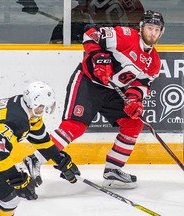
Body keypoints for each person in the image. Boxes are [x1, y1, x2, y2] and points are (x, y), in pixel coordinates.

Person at [25, 10, 164, 189]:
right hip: (88, 82)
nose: (152, 32)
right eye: (149, 27)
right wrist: (99, 58)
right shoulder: (125, 36)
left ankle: (113, 170)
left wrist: (134, 100)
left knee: (133, 122)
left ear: (161, 33)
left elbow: (141, 84)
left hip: (112, 91)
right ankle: (34, 160)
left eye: (156, 29)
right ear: (141, 27)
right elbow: (91, 35)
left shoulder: (154, 62)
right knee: (75, 126)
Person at [0, 81, 80, 216]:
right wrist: (18, 180)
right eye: (41, 107)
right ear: (33, 103)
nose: (43, 110)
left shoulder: (23, 108)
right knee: (10, 199)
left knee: (10, 198)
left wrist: (60, 160)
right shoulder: (17, 119)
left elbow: (42, 141)